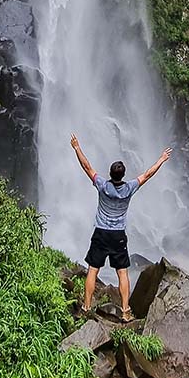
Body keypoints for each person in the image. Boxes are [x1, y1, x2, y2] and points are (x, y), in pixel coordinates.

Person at [70, 133, 173, 321]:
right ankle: (125, 312)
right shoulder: (129, 188)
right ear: (123, 175)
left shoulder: (102, 185)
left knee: (93, 269)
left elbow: (87, 167)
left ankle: (86, 307)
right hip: (118, 235)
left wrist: (77, 148)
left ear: (110, 174)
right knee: (122, 272)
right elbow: (148, 174)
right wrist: (161, 159)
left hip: (101, 233)